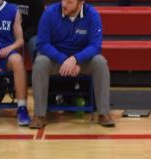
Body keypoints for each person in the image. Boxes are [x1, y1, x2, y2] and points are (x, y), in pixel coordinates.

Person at [30, 0, 113, 128]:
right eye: (63, 0)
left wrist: (76, 59)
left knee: (100, 62)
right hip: (56, 59)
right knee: (40, 62)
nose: (64, 5)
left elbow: (95, 46)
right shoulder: (50, 13)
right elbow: (42, 43)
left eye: (69, 2)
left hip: (81, 61)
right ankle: (39, 115)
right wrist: (63, 59)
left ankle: (103, 113)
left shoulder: (92, 14)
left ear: (80, 3)